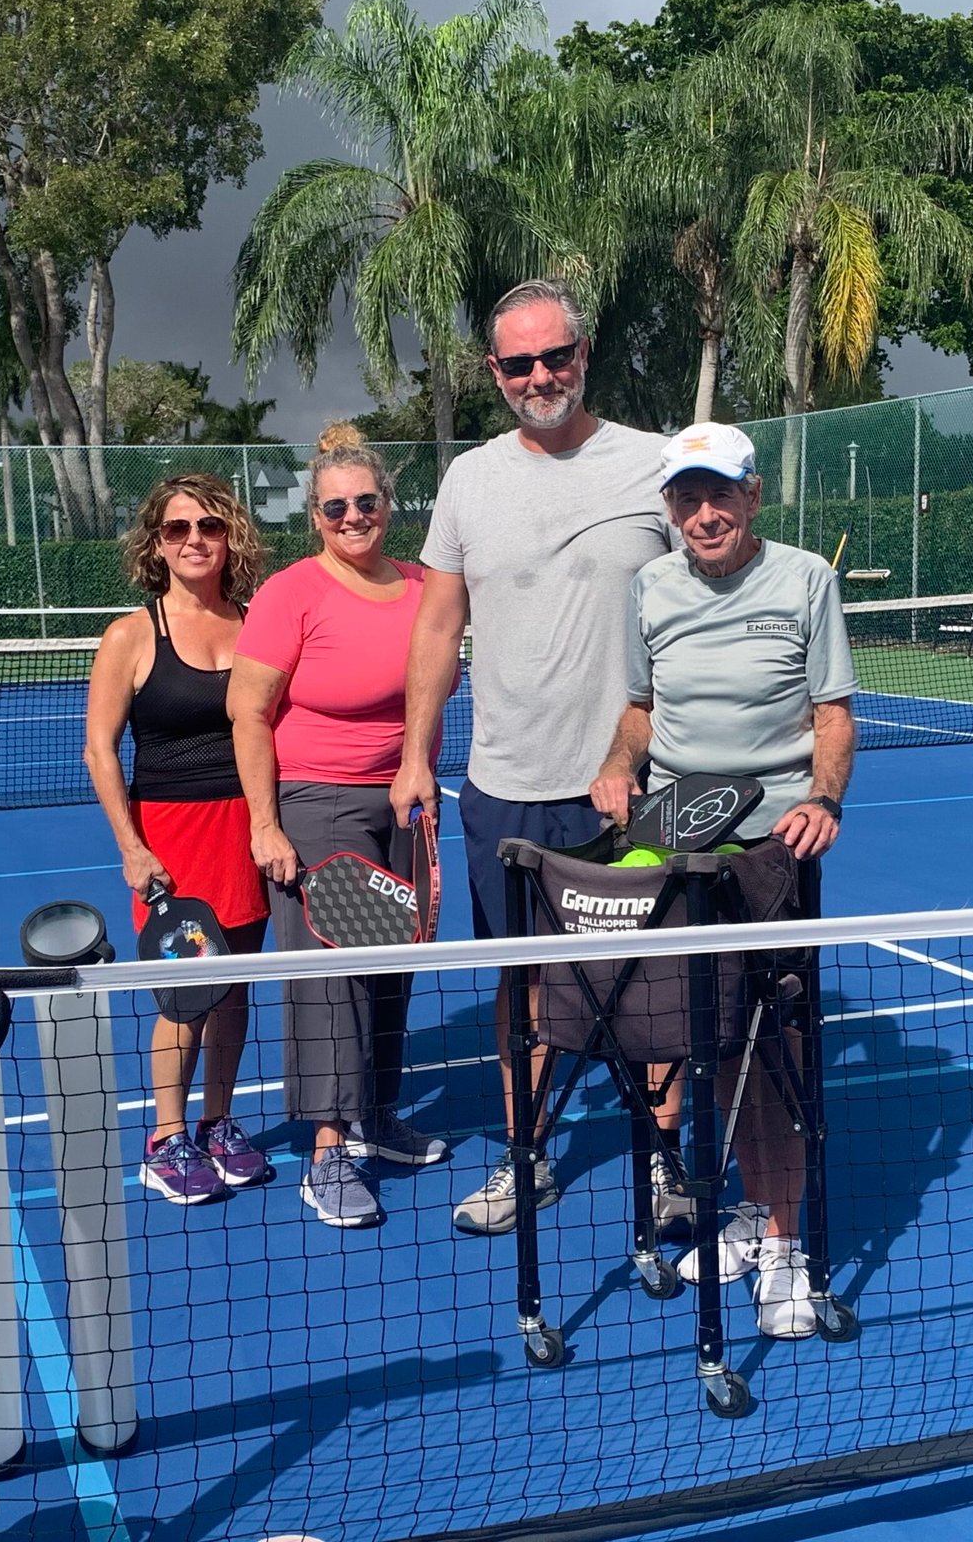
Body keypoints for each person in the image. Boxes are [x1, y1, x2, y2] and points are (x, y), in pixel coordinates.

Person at [390, 278, 687, 1237]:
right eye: (519, 363)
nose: (539, 375)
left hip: (633, 792)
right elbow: (438, 628)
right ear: (494, 372)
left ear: (584, 353)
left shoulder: (654, 464)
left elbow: (703, 599)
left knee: (651, 988)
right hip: (503, 791)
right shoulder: (470, 480)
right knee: (521, 991)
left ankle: (663, 1162)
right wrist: (413, 757)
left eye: (555, 355)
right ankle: (528, 1159)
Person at [589, 421, 858, 1339]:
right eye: (685, 498)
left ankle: (786, 1248)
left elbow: (832, 713)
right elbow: (639, 709)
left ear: (751, 497)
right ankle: (749, 1208)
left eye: (719, 496)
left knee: (772, 1058)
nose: (703, 514)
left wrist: (824, 799)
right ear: (669, 508)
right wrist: (619, 765)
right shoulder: (650, 587)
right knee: (705, 1044)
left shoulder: (805, 581)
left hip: (767, 849)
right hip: (673, 843)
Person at [228, 424, 451, 1231]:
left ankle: (379, 1114)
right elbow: (247, 714)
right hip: (319, 807)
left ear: (388, 504)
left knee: (390, 962)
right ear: (315, 518)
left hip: (403, 802)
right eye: (335, 508)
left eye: (365, 502)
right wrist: (266, 825)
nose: (353, 517)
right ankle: (327, 1150)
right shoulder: (294, 593)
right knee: (332, 975)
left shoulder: (431, 587)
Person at [85, 472, 271, 1207]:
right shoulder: (131, 636)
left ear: (231, 538)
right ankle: (166, 1138)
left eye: (210, 527)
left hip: (247, 831)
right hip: (171, 838)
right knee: (182, 998)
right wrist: (132, 848)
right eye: (178, 529)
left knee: (232, 994)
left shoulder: (258, 623)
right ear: (156, 545)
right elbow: (101, 751)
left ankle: (219, 1123)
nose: (195, 540)